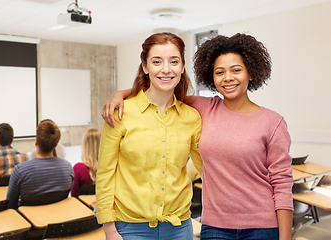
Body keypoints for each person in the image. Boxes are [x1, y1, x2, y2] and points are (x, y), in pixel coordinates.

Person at [102, 33, 294, 240]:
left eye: (236, 70)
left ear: (251, 72)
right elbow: (161, 87)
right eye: (220, 72)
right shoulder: (204, 109)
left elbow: (282, 184)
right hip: (215, 226)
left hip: (261, 225)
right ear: (211, 76)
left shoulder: (272, 122)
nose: (228, 77)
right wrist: (119, 94)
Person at [96, 32, 203, 240]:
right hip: (129, 228)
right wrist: (109, 228)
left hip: (179, 227)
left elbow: (207, 168)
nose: (166, 69)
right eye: (157, 61)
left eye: (174, 61)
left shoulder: (191, 117)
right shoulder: (120, 112)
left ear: (182, 67)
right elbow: (105, 175)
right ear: (145, 66)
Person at [6, 119, 74, 209]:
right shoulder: (68, 168)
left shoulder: (20, 171)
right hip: (58, 219)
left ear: (36, 142)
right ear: (56, 144)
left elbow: (10, 206)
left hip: (29, 221)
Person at [71, 128, 101, 197]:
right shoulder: (108, 167)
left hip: (83, 207)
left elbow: (74, 197)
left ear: (85, 145)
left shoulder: (78, 168)